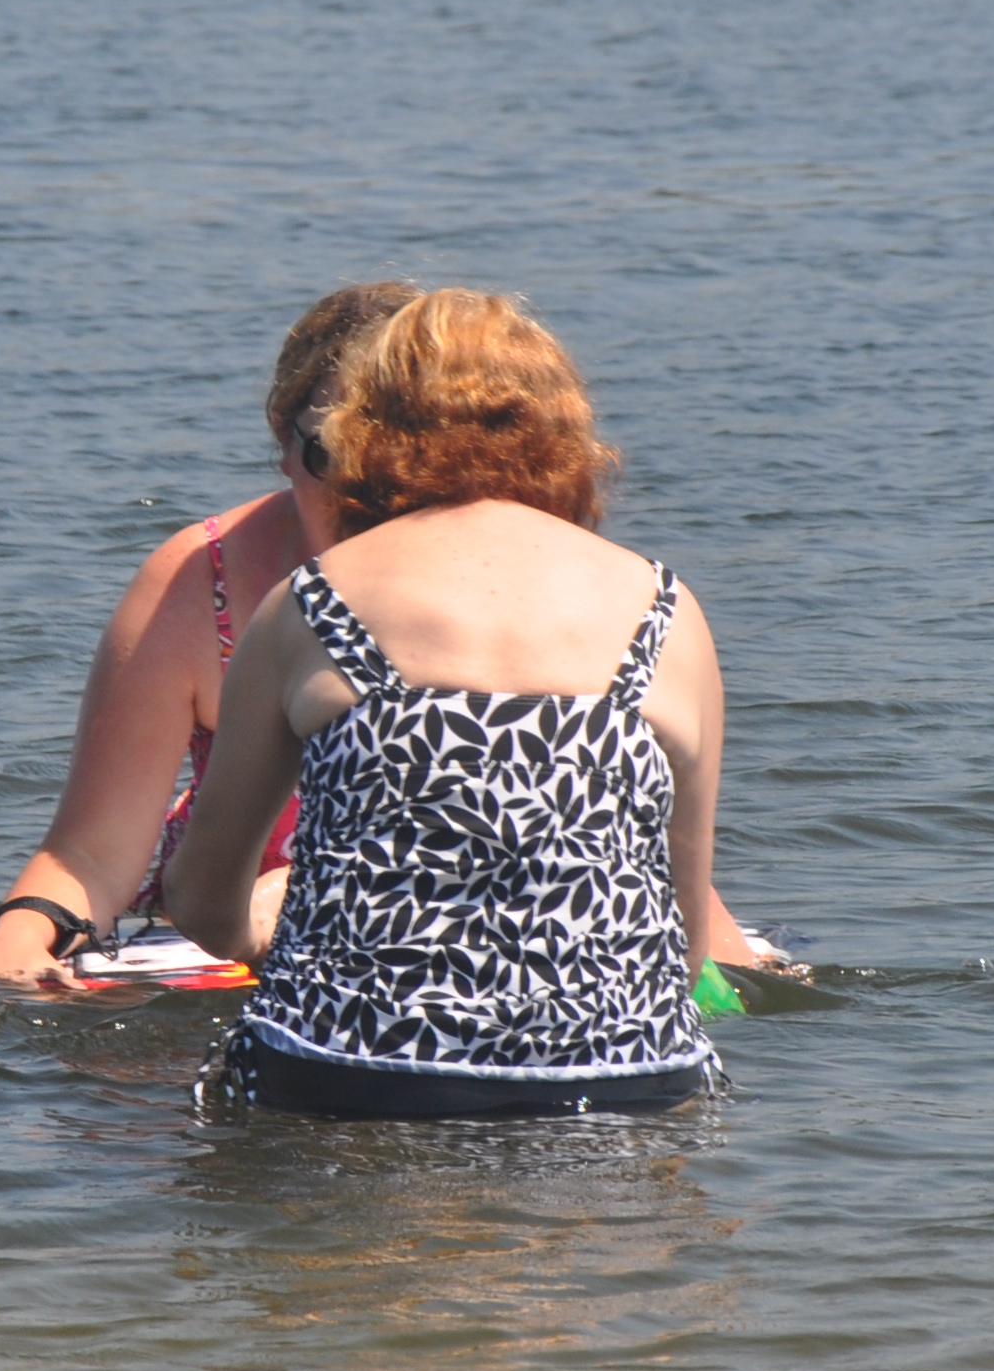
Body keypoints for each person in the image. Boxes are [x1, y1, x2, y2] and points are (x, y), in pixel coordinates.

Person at [0, 284, 773, 993]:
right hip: (246, 918)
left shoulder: (548, 586)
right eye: (339, 455)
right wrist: (22, 935)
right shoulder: (204, 583)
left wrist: (734, 967)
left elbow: (600, 823)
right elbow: (93, 852)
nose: (373, 492)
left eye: (399, 460)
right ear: (283, 438)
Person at [162, 290, 734, 1116]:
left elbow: (199, 899)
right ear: (565, 434)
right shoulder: (665, 609)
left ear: (363, 432)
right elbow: (682, 937)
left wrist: (264, 926)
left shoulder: (313, 601)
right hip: (624, 1081)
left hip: (349, 1077)